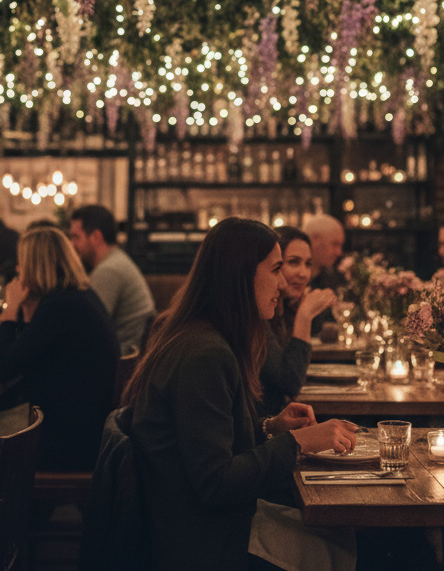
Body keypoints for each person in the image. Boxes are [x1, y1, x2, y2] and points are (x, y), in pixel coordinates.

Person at [122, 217, 358, 571]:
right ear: (239, 274)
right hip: (205, 542)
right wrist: (299, 442)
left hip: (204, 524)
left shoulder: (204, 337)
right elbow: (216, 483)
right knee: (352, 550)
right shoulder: (205, 353)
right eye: (276, 268)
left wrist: (269, 428)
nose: (283, 282)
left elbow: (206, 441)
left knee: (345, 537)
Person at [0, 226, 120, 471]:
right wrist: (27, 312)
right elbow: (27, 354)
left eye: (22, 262)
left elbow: (4, 367)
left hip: (65, 441)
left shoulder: (62, 305)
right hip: (79, 427)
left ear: (34, 265)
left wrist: (10, 310)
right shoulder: (76, 297)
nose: (18, 270)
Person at [260, 227, 336, 417]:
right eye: (293, 262)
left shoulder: (282, 308)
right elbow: (290, 382)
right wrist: (304, 316)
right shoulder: (258, 316)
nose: (304, 274)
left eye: (308, 264)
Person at [68, 204, 155, 354]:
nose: (71, 244)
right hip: (126, 354)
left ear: (96, 237)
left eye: (76, 237)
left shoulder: (109, 271)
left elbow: (88, 329)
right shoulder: (116, 260)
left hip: (120, 360)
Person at [303, 213, 346, 289]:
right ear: (315, 241)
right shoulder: (291, 282)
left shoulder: (337, 280)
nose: (339, 252)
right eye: (335, 244)